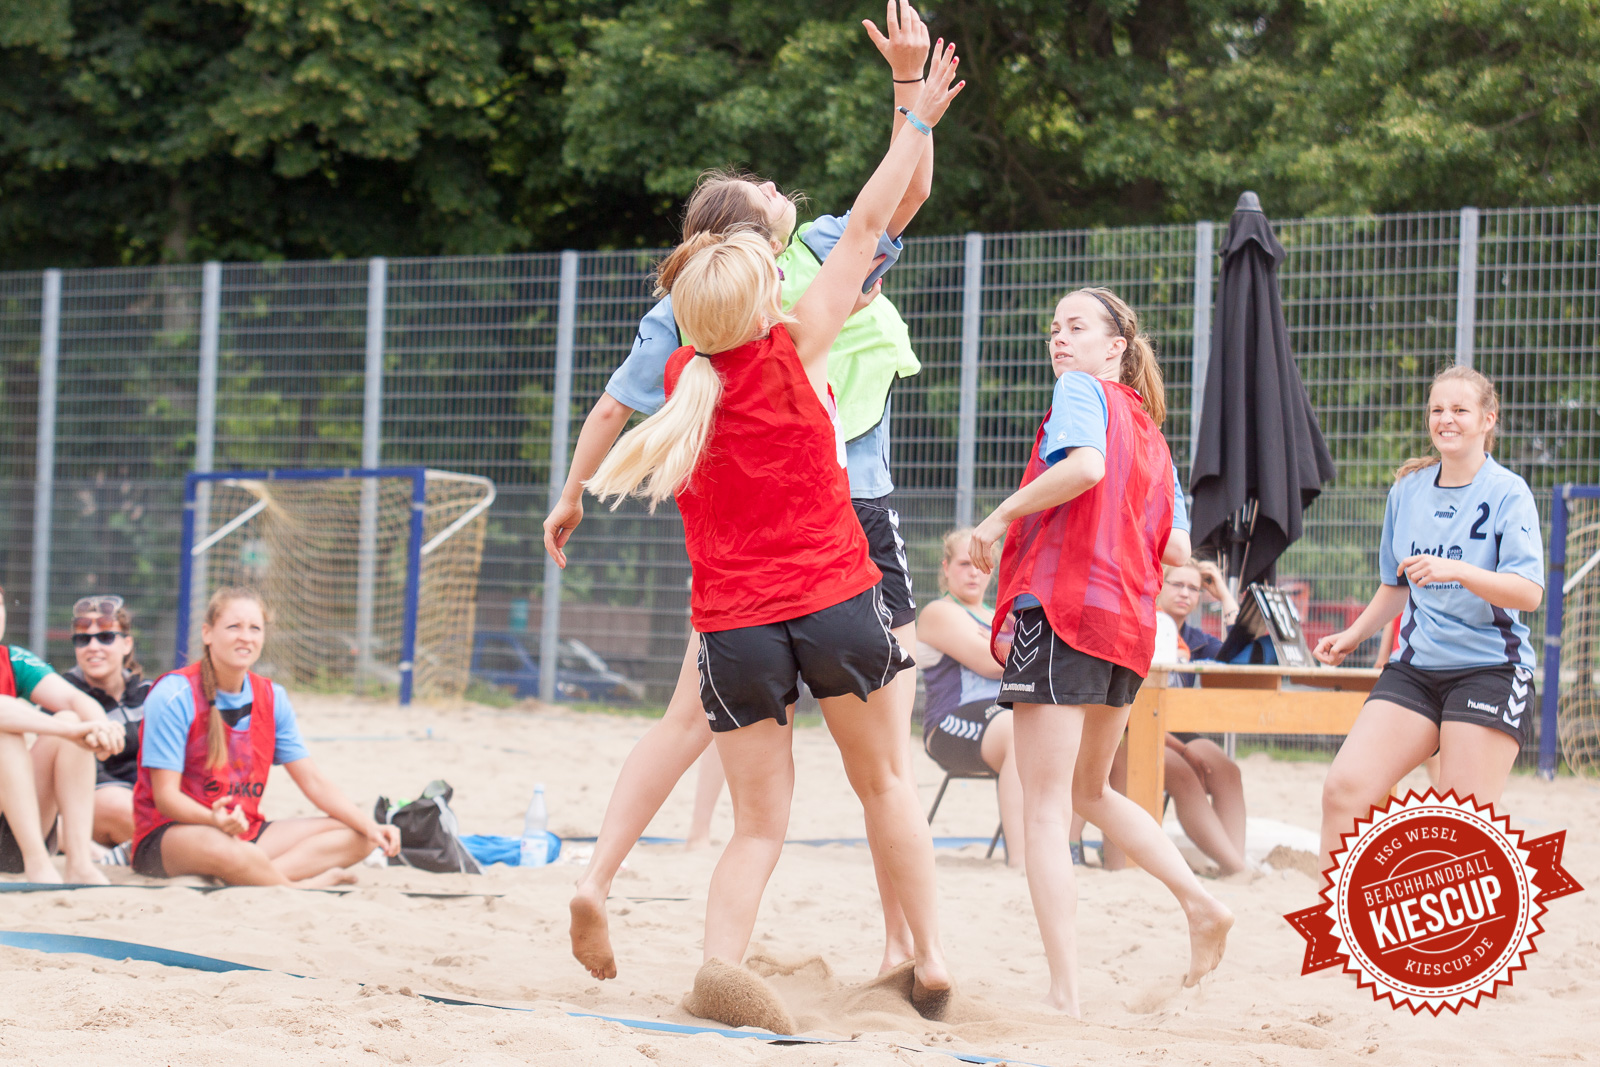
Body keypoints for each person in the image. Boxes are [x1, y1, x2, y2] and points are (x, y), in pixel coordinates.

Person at [552, 2, 937, 982]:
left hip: (735, 625)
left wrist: (573, 491)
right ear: (759, 275)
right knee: (884, 780)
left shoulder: (685, 380)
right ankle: (923, 955)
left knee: (746, 815)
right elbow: (873, 212)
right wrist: (915, 106)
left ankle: (688, 939)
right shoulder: (793, 341)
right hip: (832, 596)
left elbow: (609, 419)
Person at [969, 286, 1233, 1016]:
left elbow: (1083, 467)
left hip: (1066, 609)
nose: (1060, 338)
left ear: (1114, 345)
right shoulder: (1149, 431)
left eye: (1076, 326)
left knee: (1046, 806)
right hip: (1127, 626)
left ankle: (1065, 994)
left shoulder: (1081, 389)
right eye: (1054, 327)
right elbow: (1177, 545)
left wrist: (996, 517)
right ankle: (1200, 900)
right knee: (1093, 791)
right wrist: (1205, 566)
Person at [1314, 366, 1542, 869]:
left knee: (1462, 829)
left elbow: (1528, 593)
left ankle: (1461, 943)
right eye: (1438, 410)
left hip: (1490, 669)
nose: (1446, 419)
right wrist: (1351, 636)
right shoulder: (1409, 490)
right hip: (1417, 668)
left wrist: (1458, 570)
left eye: (1460, 410)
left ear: (1488, 419)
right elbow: (1396, 585)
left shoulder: (1508, 492)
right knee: (1344, 791)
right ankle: (1339, 942)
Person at [131, 587, 400, 885]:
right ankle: (294, 886)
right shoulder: (173, 694)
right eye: (234, 626)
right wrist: (213, 819)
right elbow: (165, 798)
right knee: (229, 851)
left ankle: (252, 877)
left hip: (244, 833)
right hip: (174, 834)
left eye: (254, 628)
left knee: (360, 837)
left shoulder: (273, 697)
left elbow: (312, 781)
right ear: (207, 633)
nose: (245, 636)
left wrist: (371, 826)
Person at [0, 582, 123, 884]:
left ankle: (79, 863)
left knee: (70, 716)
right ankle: (38, 864)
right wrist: (71, 730)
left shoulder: (12, 659)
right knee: (7, 734)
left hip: (11, 835)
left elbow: (75, 700)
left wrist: (100, 730)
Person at [916, 527, 1022, 869]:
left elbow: (1011, 659)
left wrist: (1010, 645)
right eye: (964, 563)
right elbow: (991, 664)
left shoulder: (999, 616)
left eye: (981, 563)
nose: (974, 571)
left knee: (1055, 730)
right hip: (949, 725)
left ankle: (1070, 848)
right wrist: (1019, 645)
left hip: (1000, 716)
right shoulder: (939, 612)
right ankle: (1021, 862)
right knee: (1018, 734)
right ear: (946, 568)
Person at [1150, 563, 1248, 875]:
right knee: (1183, 771)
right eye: (1177, 584)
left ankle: (1234, 865)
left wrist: (1222, 592)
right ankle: (1236, 868)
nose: (1185, 593)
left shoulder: (1198, 640)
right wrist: (1183, 750)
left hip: (1176, 728)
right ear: (1158, 585)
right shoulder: (1146, 626)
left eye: (1194, 588)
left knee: (1227, 770)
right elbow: (1135, 707)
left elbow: (1242, 655)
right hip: (1135, 727)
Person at [61, 595, 152, 850]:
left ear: (127, 644)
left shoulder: (149, 693)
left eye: (105, 637)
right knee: (120, 806)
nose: (93, 646)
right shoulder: (61, 695)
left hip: (145, 799)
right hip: (94, 802)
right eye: (82, 639)